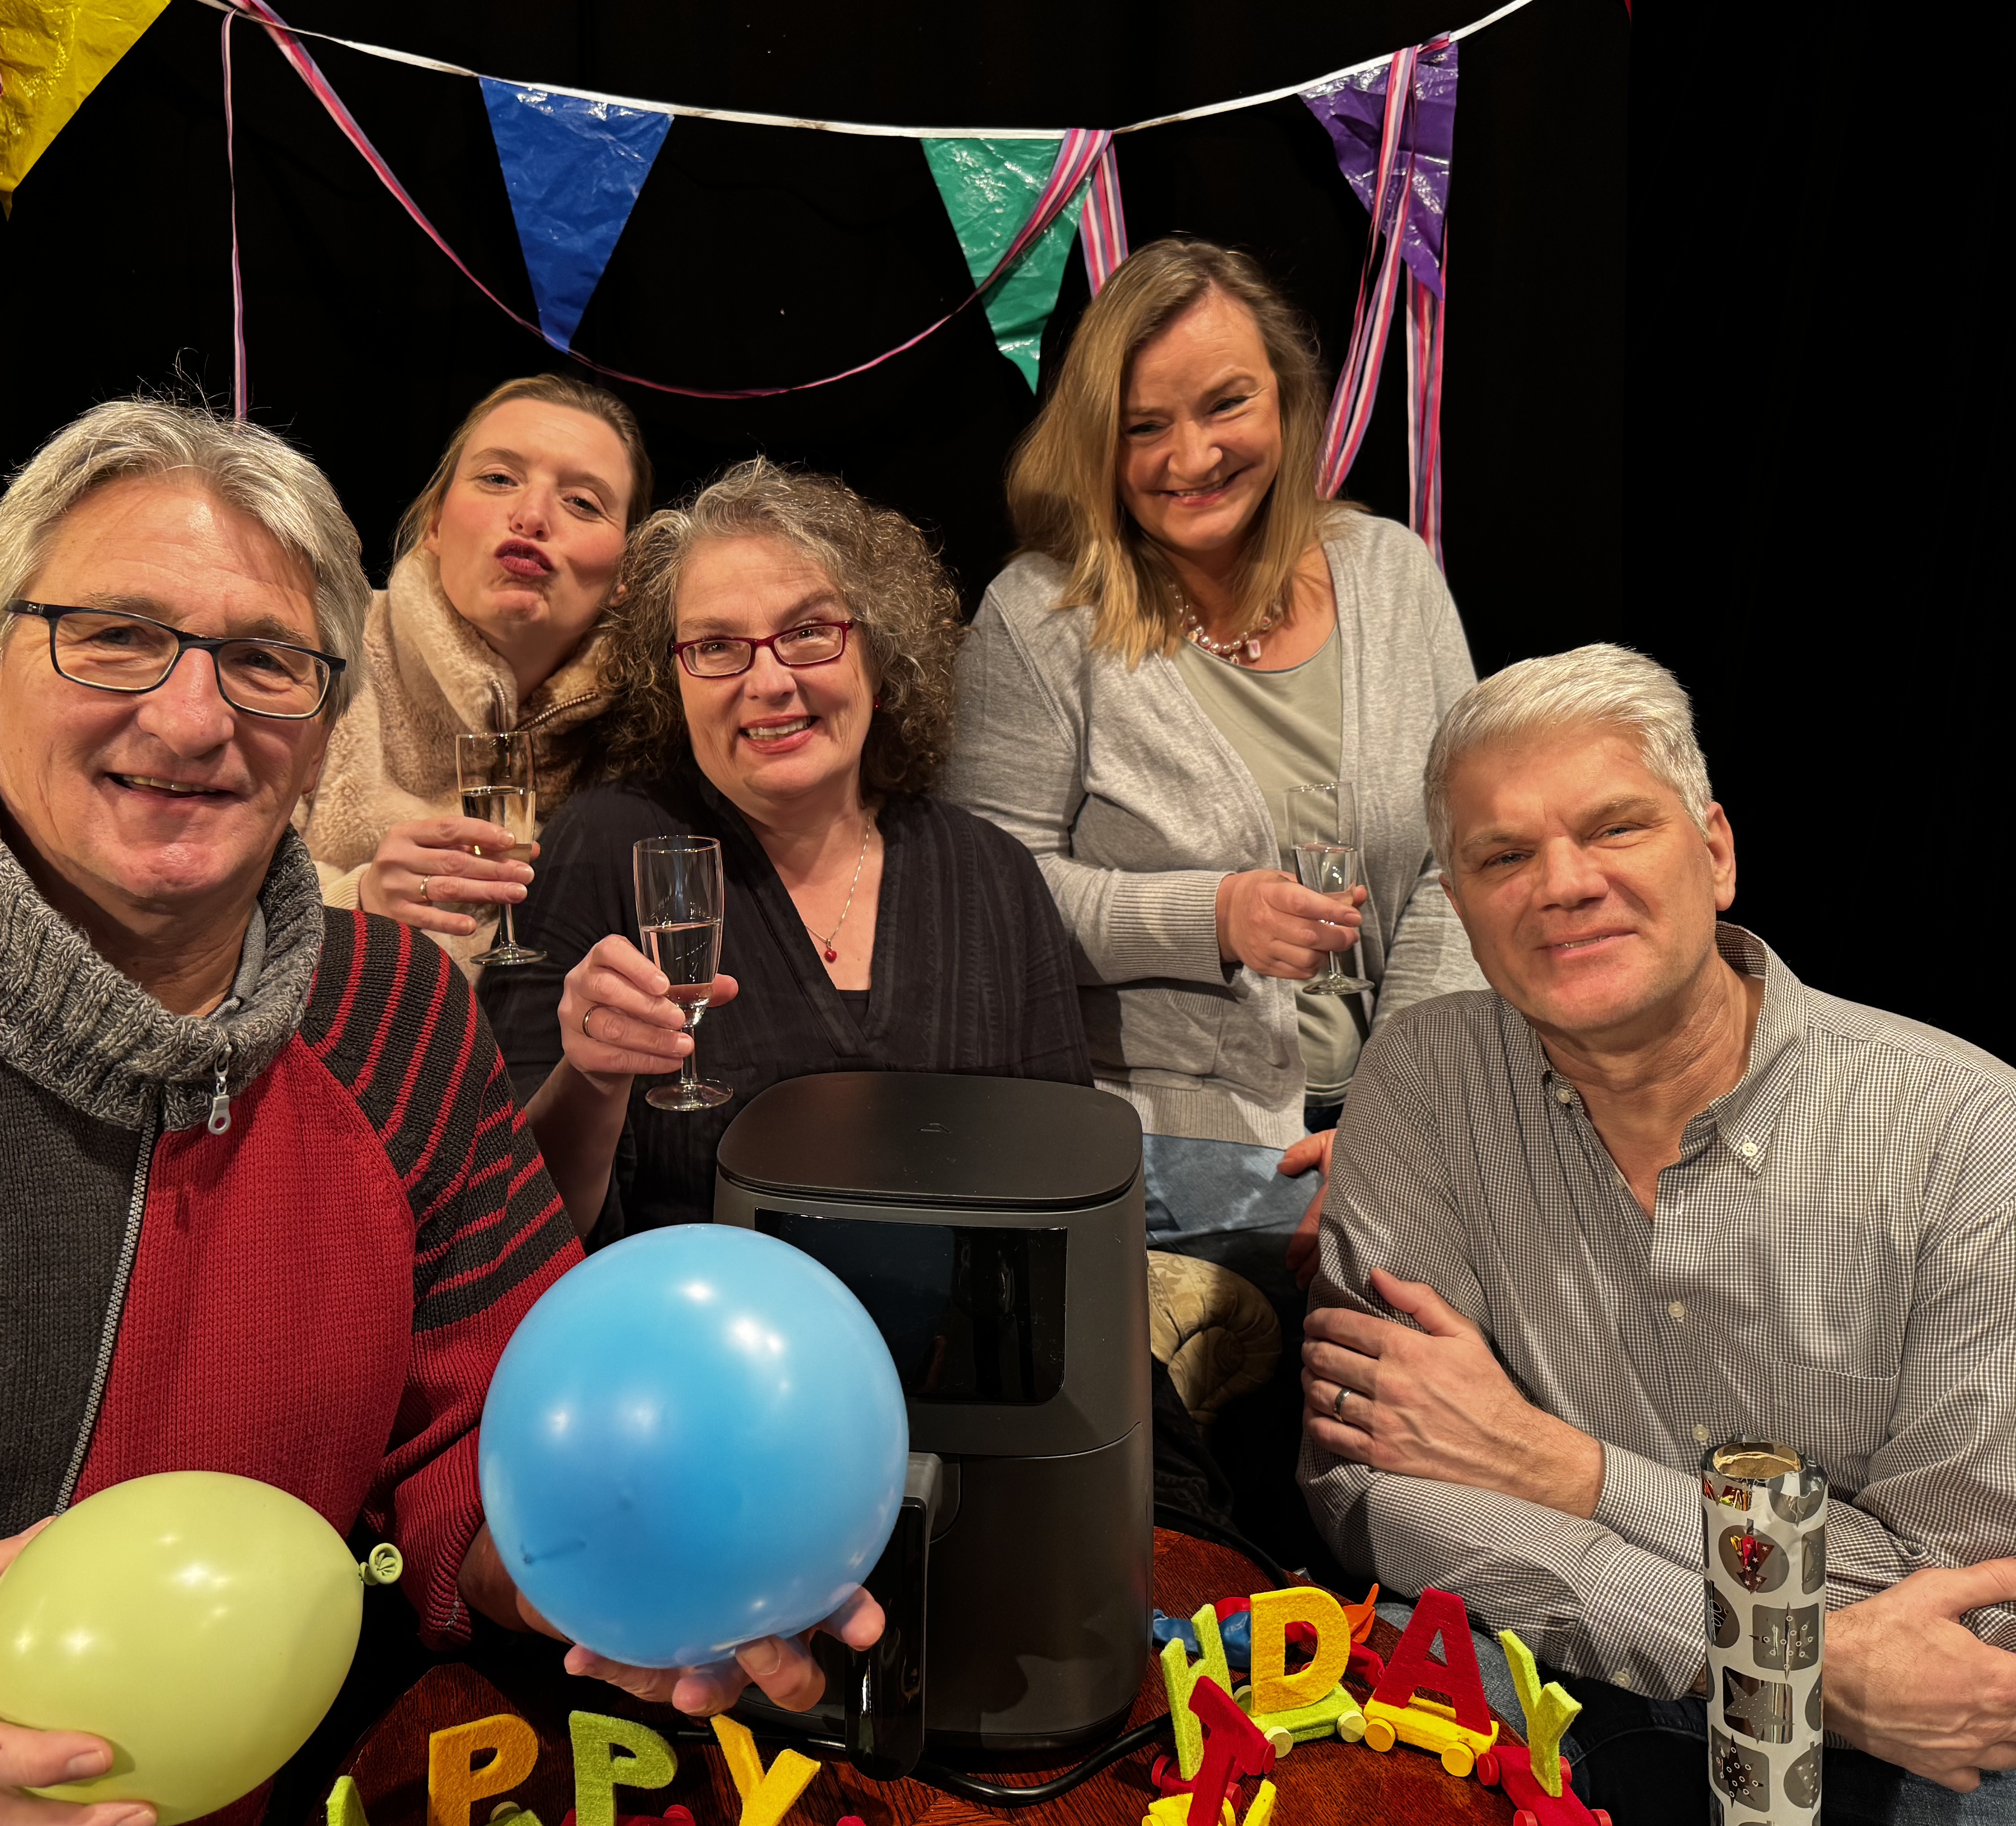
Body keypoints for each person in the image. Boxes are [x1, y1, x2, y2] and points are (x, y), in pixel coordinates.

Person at [0, 402, 872, 1826]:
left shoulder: (398, 1019)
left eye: (265, 662)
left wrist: (629, 1568)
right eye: (115, 635)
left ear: (321, 739)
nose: (194, 718)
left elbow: (479, 1444)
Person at [1298, 644, 2016, 1822]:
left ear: (1715, 852)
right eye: (1502, 856)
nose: (1561, 883)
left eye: (1613, 827)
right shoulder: (1422, 1077)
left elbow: (1959, 1602)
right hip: (1555, 1664)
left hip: (1903, 1728)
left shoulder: (1967, 1133)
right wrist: (1764, 1656)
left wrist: (1550, 1466)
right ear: (1461, 906)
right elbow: (1372, 1482)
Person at [947, 235, 1484, 1571]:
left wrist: (1392, 1125)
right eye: (1144, 426)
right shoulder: (1040, 614)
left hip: (1400, 1108)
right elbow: (983, 897)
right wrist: (1207, 915)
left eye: (1223, 404)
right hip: (1168, 1143)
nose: (1188, 455)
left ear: (1289, 402)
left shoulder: (1391, 576)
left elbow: (1463, 863)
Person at [478, 459, 1090, 1239]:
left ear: (879, 658)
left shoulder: (990, 872)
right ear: (674, 684)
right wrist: (590, 1081)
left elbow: (1071, 1184)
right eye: (716, 645)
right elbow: (505, 1225)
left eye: (807, 633)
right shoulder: (599, 847)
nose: (767, 681)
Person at [295, 374, 650, 978]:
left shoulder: (647, 727)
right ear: (435, 521)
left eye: (582, 503)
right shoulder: (321, 657)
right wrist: (356, 901)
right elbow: (198, 901)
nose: (531, 517)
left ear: (627, 572)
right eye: (499, 479)